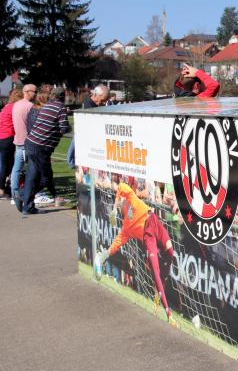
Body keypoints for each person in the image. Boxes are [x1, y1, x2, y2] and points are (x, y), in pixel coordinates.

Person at [94, 181, 176, 325]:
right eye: (122, 204)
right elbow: (116, 244)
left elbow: (121, 186)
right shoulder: (127, 228)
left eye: (123, 201)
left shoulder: (132, 200)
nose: (124, 202)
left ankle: (159, 288)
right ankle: (168, 312)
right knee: (155, 271)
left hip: (155, 221)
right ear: (123, 210)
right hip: (148, 236)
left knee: (170, 252)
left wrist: (114, 205)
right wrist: (105, 255)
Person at [14, 87, 71, 214]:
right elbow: (64, 128)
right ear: (63, 96)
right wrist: (68, 126)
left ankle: (28, 207)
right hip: (41, 147)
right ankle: (21, 194)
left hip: (31, 143)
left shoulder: (48, 105)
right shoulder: (60, 107)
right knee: (45, 178)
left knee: (32, 176)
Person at [67, 85, 110, 169]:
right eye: (103, 100)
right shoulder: (88, 105)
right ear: (96, 95)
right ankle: (72, 163)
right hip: (83, 133)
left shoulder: (95, 104)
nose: (104, 103)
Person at [10, 84, 37, 201]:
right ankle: (30, 194)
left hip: (19, 141)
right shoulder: (30, 106)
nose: (36, 94)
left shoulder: (16, 105)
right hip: (28, 142)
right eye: (34, 92)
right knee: (33, 170)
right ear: (27, 92)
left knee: (17, 169)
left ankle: (14, 193)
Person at [0, 88, 23, 199]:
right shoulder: (15, 108)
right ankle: (2, 189)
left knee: (6, 164)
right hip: (8, 137)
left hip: (2, 136)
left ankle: (5, 188)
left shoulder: (6, 107)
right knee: (7, 165)